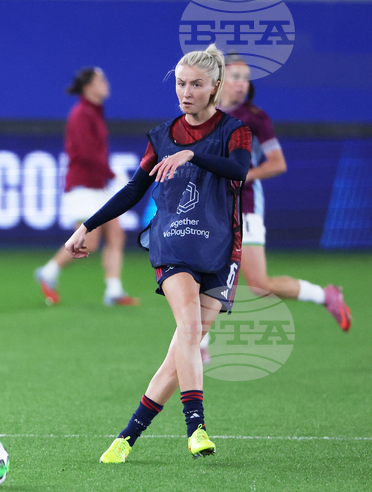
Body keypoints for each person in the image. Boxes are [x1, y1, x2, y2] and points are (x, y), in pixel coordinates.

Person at [64, 45, 252, 463]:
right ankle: (196, 427)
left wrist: (192, 155)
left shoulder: (235, 130)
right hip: (173, 243)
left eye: (196, 85)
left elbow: (239, 171)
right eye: (181, 84)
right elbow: (133, 190)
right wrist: (86, 226)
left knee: (180, 349)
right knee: (188, 328)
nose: (186, 92)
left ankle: (127, 437)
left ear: (214, 88)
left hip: (222, 247)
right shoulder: (162, 136)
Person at [217, 55, 351, 331]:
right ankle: (201, 348)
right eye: (236, 76)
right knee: (205, 275)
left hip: (245, 205)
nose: (242, 84)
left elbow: (278, 163)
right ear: (218, 80)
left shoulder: (254, 118)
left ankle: (324, 295)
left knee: (259, 285)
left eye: (246, 77)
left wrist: (243, 175)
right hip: (213, 206)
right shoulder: (203, 114)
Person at [35, 67, 139, 306]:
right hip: (82, 186)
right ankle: (49, 271)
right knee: (89, 241)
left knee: (116, 234)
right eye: (101, 80)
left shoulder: (93, 113)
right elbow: (85, 154)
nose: (106, 83)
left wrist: (108, 176)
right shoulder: (81, 113)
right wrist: (114, 175)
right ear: (88, 86)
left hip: (97, 185)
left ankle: (113, 290)